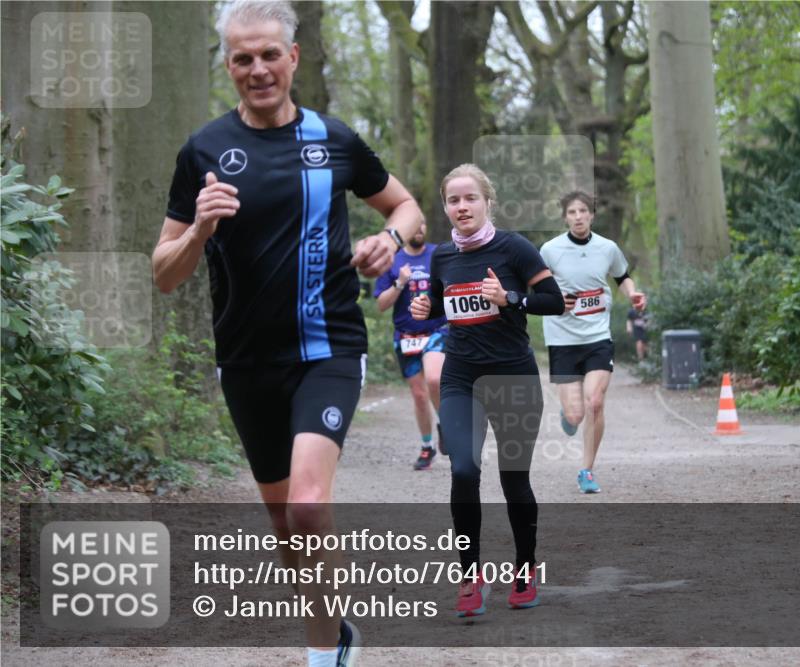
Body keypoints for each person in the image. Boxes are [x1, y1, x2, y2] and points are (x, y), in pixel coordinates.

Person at [151, 2, 422, 665]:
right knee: (287, 525)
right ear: (227, 65)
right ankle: (336, 631)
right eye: (243, 57)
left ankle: (320, 657)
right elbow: (163, 272)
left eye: (270, 54)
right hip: (245, 361)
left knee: (306, 505)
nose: (259, 68)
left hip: (328, 346)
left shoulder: (334, 139)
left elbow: (408, 206)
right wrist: (198, 230)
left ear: (293, 57)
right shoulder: (204, 150)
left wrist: (388, 240)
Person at [409, 164, 564, 617]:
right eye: (453, 200)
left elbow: (554, 301)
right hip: (462, 378)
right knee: (463, 472)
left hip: (513, 377)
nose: (462, 207)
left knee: (513, 479)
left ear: (487, 202)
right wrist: (426, 308)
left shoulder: (513, 248)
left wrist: (511, 299)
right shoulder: (441, 256)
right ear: (445, 208)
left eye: (470, 198)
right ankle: (470, 577)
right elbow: (443, 303)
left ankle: (524, 570)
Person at [540, 191, 646, 494]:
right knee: (575, 414)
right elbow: (534, 284)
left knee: (595, 403)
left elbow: (622, 276)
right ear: (565, 217)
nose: (577, 217)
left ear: (592, 215)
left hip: (597, 337)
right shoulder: (550, 250)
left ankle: (586, 470)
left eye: (583, 211)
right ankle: (568, 414)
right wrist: (555, 300)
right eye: (571, 212)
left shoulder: (607, 248)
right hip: (562, 339)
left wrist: (633, 295)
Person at [374, 222, 449, 470]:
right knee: (418, 396)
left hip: (436, 329)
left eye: (422, 225)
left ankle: (446, 425)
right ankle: (427, 447)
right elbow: (381, 305)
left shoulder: (438, 254)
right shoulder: (392, 260)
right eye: (413, 226)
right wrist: (400, 282)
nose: (418, 229)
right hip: (406, 335)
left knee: (435, 380)